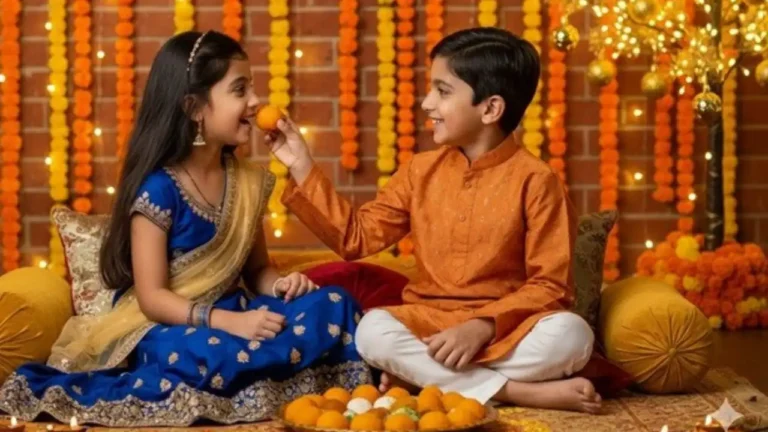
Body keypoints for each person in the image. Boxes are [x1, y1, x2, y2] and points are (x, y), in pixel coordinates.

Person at [0, 31, 371, 427]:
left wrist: (280, 286)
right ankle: (264, 377)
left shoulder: (246, 181)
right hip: (176, 326)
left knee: (334, 303)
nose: (254, 102)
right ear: (195, 108)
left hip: (239, 312)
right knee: (208, 352)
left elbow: (257, 270)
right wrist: (227, 322)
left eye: (252, 87)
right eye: (239, 89)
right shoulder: (159, 189)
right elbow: (152, 298)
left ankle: (255, 375)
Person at [265, 27, 601, 413]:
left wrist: (483, 326)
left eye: (442, 92)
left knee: (572, 336)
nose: (426, 103)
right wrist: (301, 164)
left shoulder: (537, 180)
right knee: (373, 333)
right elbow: (356, 238)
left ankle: (426, 377)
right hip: (431, 323)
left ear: (490, 109)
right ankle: (513, 391)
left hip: (508, 328)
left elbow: (550, 285)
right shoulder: (420, 171)